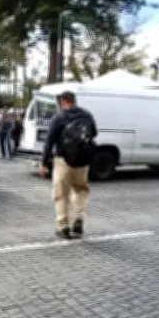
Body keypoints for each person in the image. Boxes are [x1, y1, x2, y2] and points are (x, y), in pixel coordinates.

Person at [38, 91, 97, 239]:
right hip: (82, 160)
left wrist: (43, 163)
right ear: (74, 101)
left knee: (61, 194)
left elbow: (49, 141)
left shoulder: (59, 117)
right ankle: (78, 218)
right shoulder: (87, 115)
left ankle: (63, 225)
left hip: (63, 160)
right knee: (81, 189)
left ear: (63, 101)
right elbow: (94, 133)